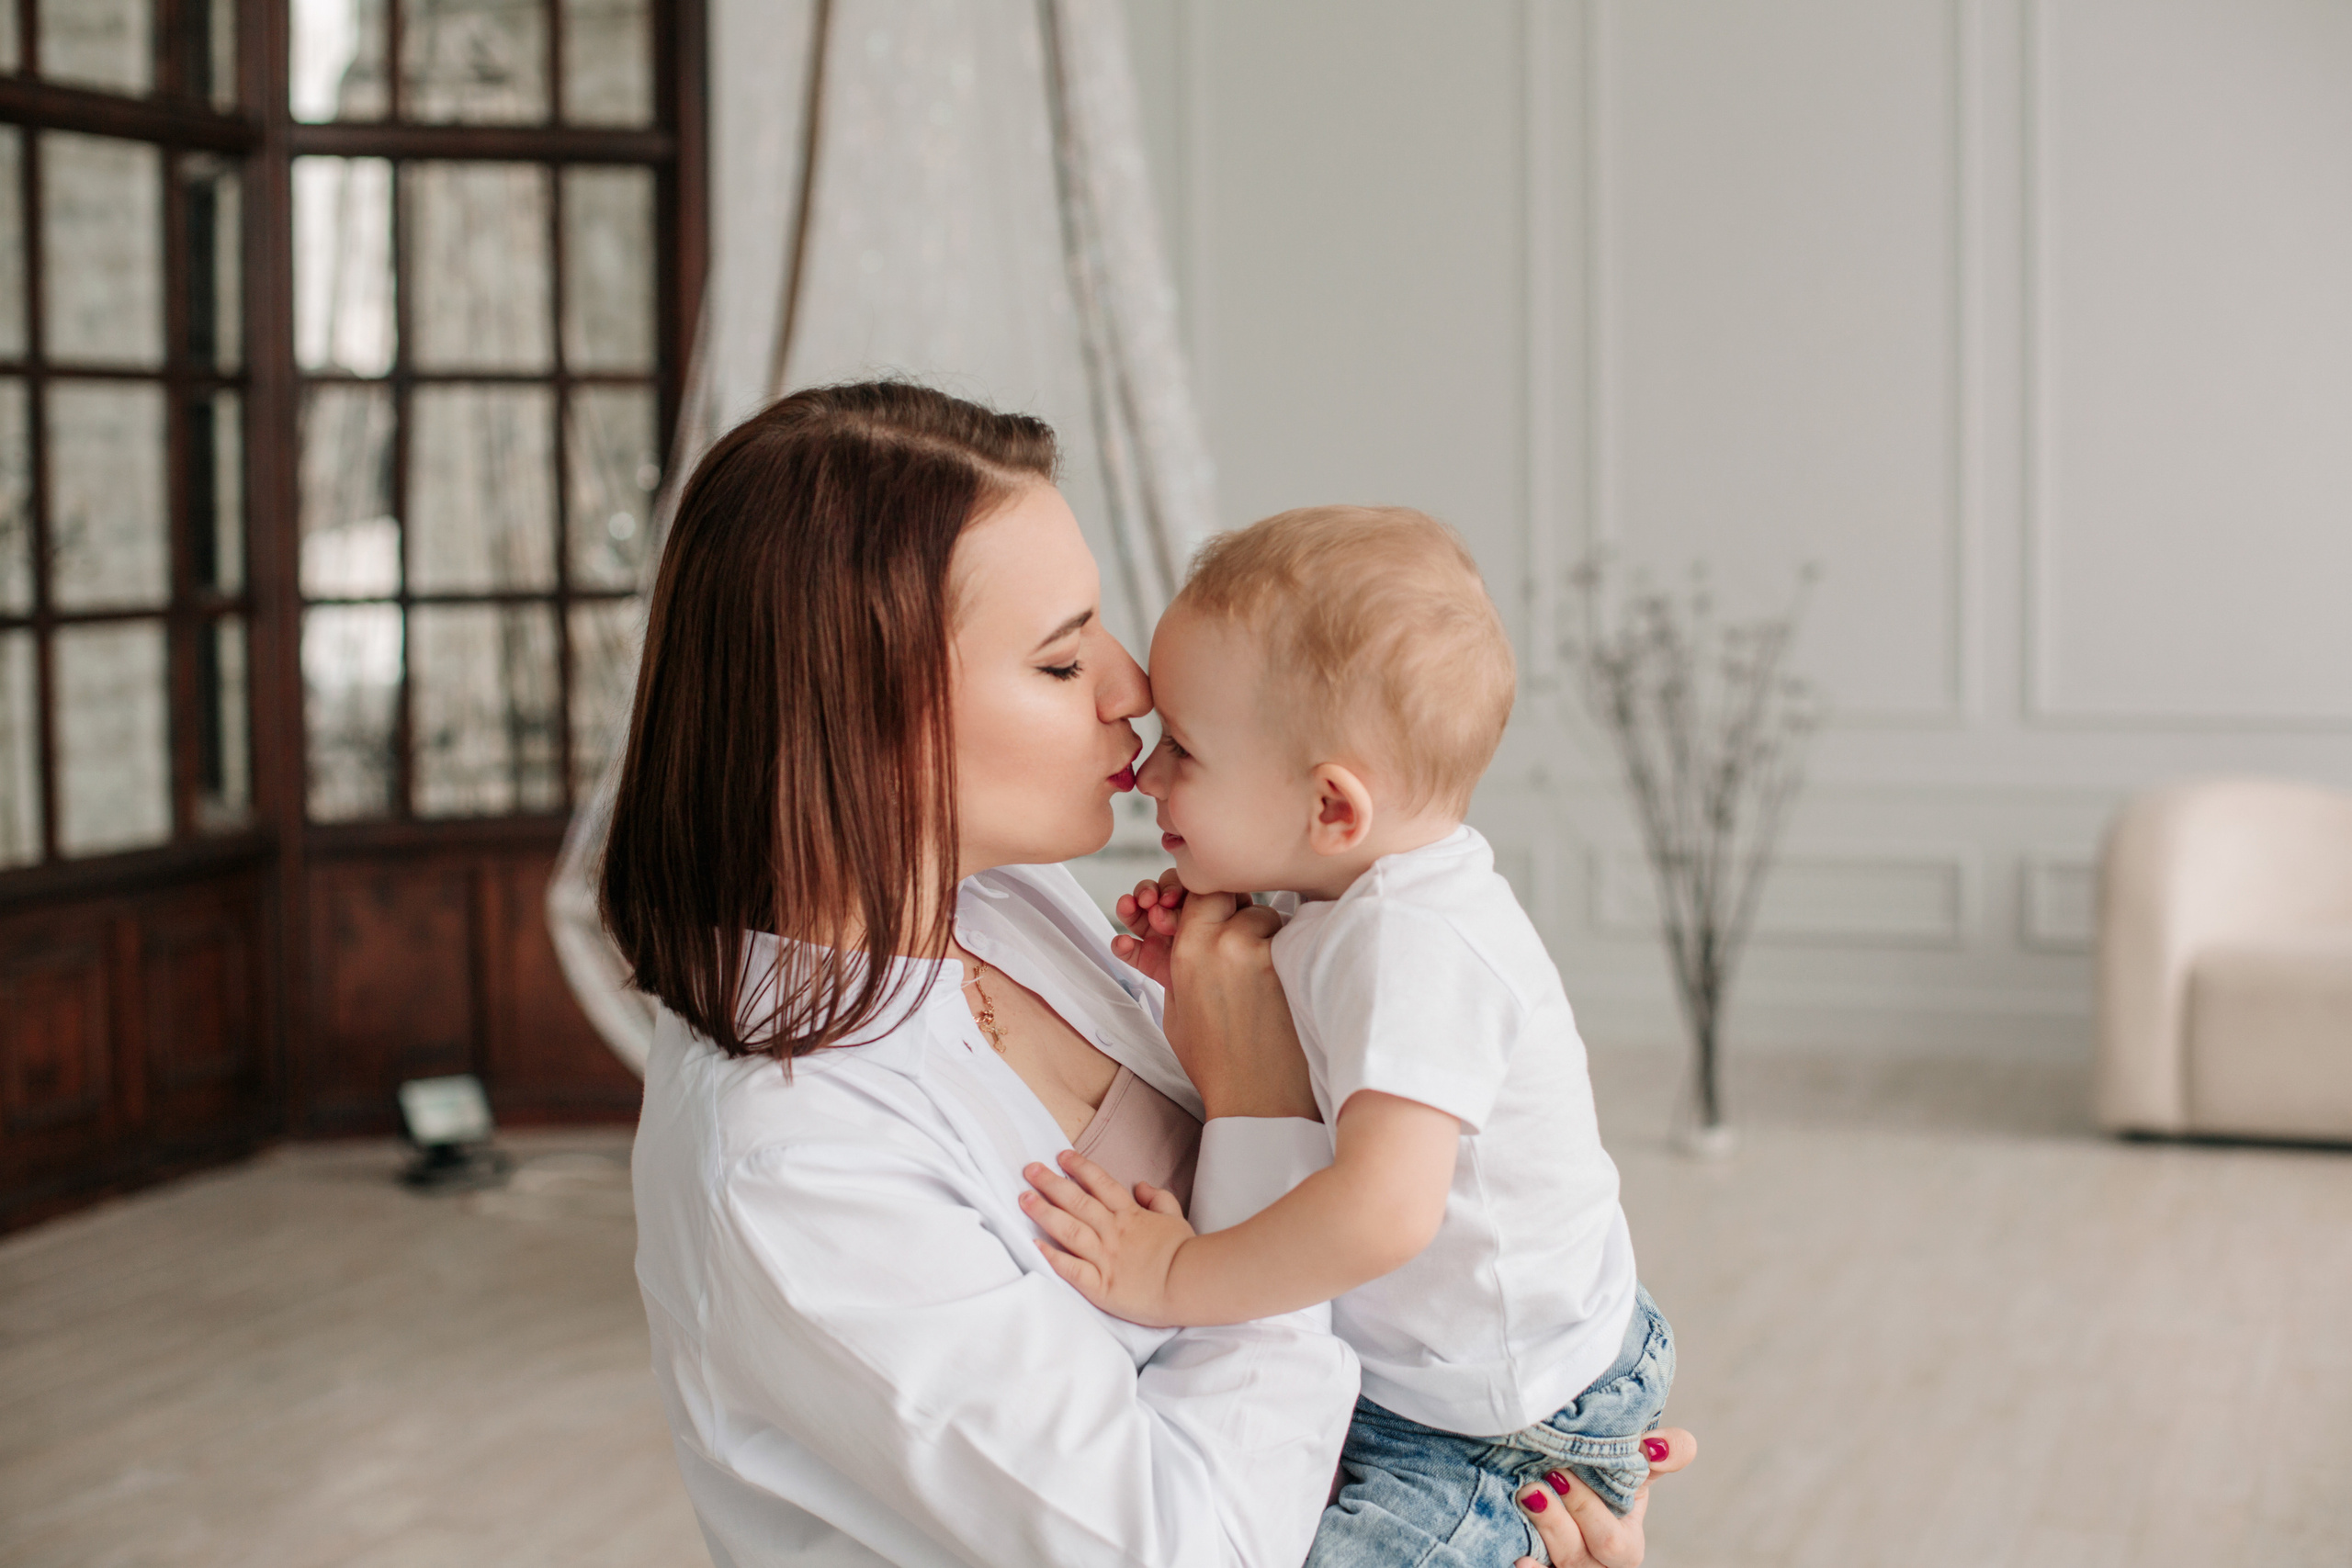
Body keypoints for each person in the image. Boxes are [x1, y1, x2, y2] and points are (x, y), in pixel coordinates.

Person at [602, 382, 1691, 1567]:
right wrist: (1259, 1106)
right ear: (864, 720)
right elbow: (1188, 1545)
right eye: (1062, 661)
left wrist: (1522, 1469)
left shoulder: (995, 904)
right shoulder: (794, 1163)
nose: (1131, 688)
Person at [1024, 505, 1672, 1564]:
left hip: (1500, 1420)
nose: (1146, 772)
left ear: (1332, 808)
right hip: (1454, 1371)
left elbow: (1382, 1212)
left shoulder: (1412, 943)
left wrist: (1175, 1277)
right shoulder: (1344, 902)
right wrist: (1226, 983)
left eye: (1184, 748)